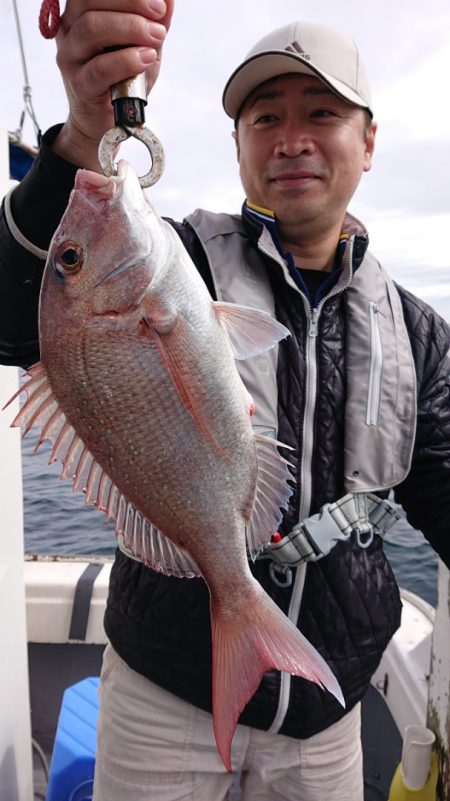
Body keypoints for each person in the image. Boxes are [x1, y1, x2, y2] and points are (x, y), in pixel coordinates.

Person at [1, 4, 450, 800]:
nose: (291, 138)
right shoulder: (182, 263)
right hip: (160, 693)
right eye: (264, 117)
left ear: (370, 141)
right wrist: (80, 136)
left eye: (321, 113)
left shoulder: (419, 335)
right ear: (237, 145)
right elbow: (14, 315)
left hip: (328, 708)